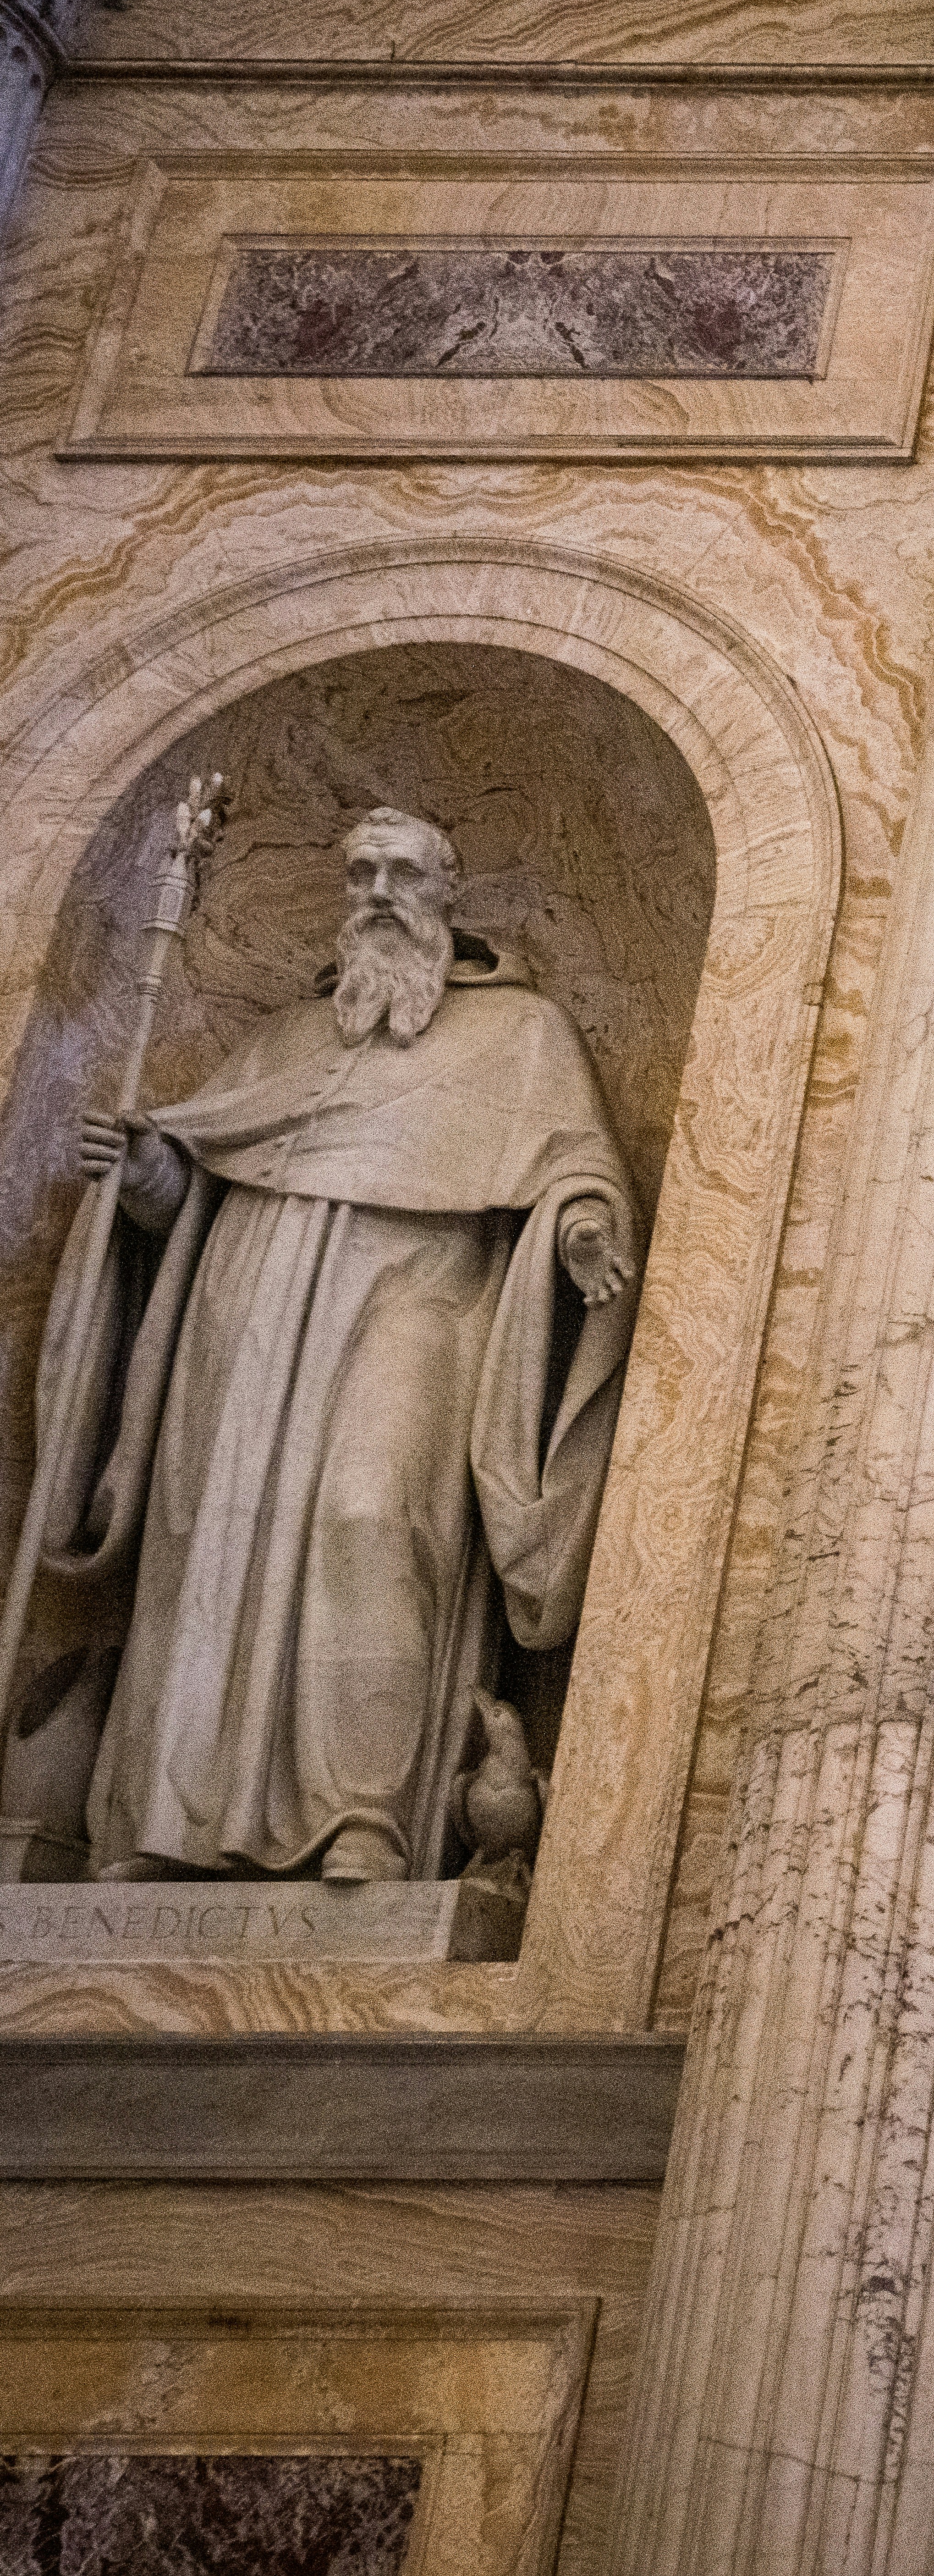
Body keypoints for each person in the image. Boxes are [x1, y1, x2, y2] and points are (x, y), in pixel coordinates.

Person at [48, 805, 640, 1882]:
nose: (375, 889)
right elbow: (192, 1182)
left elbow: (571, 1163)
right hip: (251, 1305)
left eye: (399, 870)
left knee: (373, 1513)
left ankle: (363, 1810)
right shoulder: (280, 1042)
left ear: (442, 892)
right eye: (359, 870)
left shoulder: (521, 1034)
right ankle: (166, 1820)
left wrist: (581, 1227)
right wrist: (143, 1173)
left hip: (419, 1294)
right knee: (217, 1540)